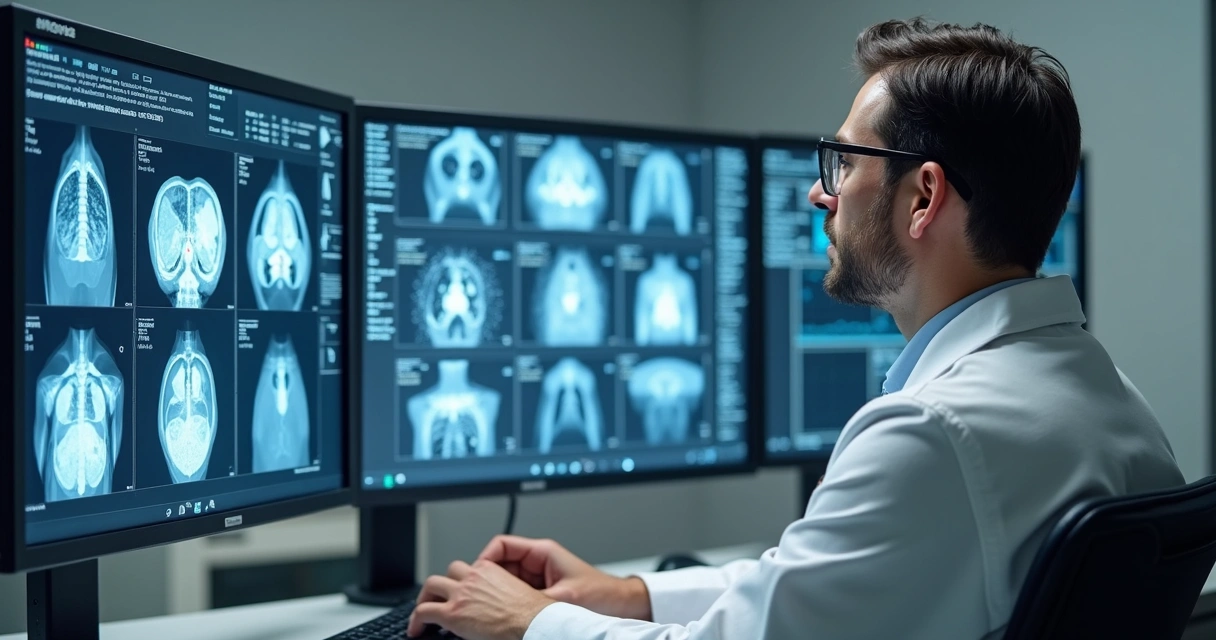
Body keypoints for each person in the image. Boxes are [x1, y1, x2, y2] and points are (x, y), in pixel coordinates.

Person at [406, 17, 1186, 640]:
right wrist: (629, 595)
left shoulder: (932, 435)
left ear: (923, 199)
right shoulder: (1113, 404)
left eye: (844, 164)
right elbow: (815, 591)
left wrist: (534, 624)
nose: (823, 196)